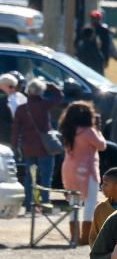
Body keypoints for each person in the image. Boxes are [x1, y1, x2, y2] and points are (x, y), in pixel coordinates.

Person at [11, 78, 63, 211]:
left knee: (30, 177)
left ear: (28, 92)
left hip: (28, 147)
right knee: (46, 176)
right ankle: (45, 203)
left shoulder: (21, 109)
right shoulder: (44, 105)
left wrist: (15, 146)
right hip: (45, 147)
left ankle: (29, 204)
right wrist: (51, 85)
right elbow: (59, 97)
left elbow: (16, 130)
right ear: (41, 92)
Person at [59, 101, 107, 244]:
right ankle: (85, 237)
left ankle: (74, 236)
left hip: (69, 169)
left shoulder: (68, 130)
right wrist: (98, 129)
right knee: (90, 203)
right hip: (86, 171)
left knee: (74, 202)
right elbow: (102, 146)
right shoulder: (88, 131)